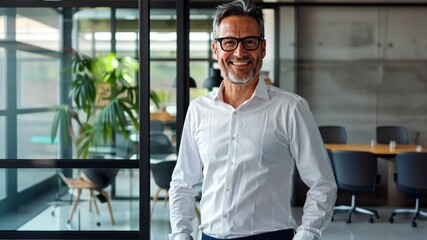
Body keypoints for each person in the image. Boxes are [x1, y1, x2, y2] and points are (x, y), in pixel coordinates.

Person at [168, 1, 337, 240]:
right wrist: (181, 235)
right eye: (229, 42)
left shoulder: (290, 108)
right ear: (216, 50)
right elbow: (183, 183)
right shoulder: (198, 110)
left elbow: (322, 184)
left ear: (263, 48)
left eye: (249, 42)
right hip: (209, 236)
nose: (239, 52)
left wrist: (307, 234)